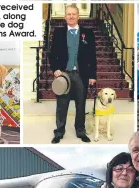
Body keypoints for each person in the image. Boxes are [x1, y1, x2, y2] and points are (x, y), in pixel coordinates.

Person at [49, 4, 96, 143]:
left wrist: (93, 75)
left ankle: (80, 131)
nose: (71, 16)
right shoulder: (58, 32)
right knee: (62, 105)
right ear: (65, 17)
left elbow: (92, 55)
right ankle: (59, 132)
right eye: (68, 14)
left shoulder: (88, 33)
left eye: (73, 14)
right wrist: (55, 68)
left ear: (78, 16)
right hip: (64, 74)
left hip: (81, 74)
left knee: (81, 105)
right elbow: (52, 54)